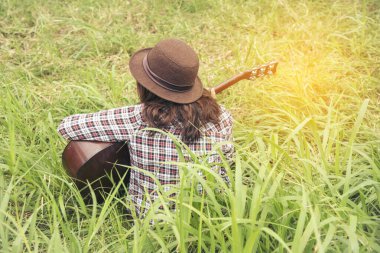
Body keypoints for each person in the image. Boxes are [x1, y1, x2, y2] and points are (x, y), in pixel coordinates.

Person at [58, 38, 234, 216]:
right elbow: (228, 166)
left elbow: (66, 126)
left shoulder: (138, 118)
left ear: (144, 86)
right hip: (207, 216)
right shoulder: (223, 116)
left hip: (151, 223)